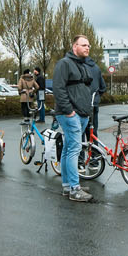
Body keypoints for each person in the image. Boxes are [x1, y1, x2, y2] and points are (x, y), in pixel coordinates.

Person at [52, 36, 99, 202]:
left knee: (67, 149)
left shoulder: (81, 64)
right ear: (74, 47)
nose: (88, 47)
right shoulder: (64, 64)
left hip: (81, 113)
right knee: (74, 150)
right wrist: (69, 111)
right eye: (84, 45)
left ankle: (67, 185)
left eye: (88, 45)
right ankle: (74, 189)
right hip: (71, 114)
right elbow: (58, 88)